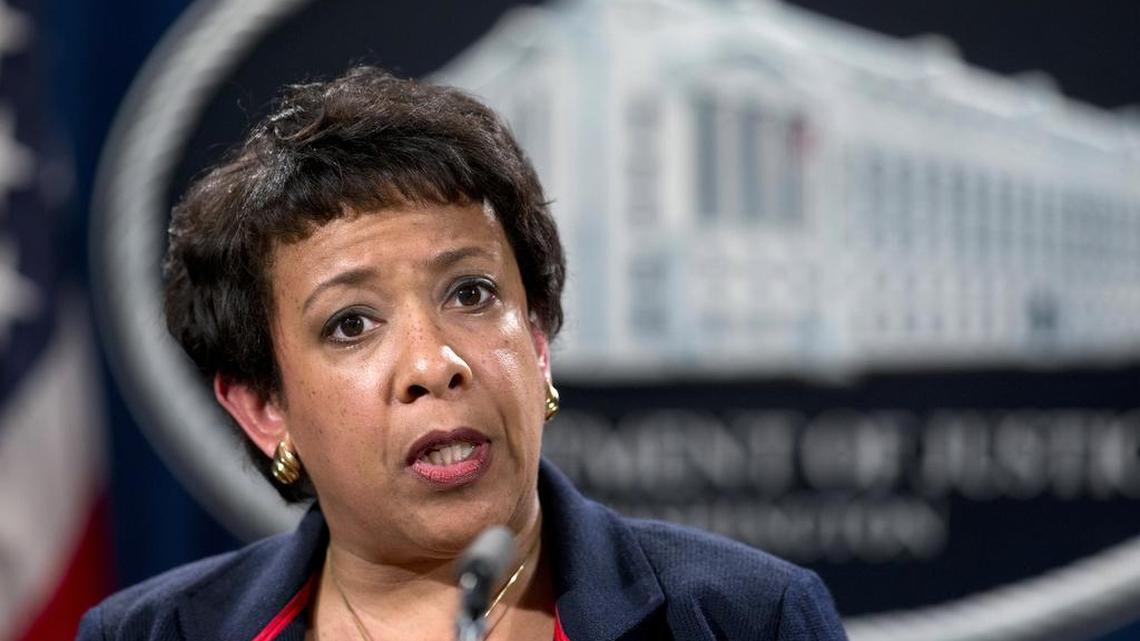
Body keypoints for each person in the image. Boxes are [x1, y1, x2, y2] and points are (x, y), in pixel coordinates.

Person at [78, 66, 848, 641]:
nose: (433, 362)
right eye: (351, 323)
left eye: (472, 293)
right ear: (264, 406)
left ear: (539, 342)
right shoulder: (151, 632)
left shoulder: (742, 617)